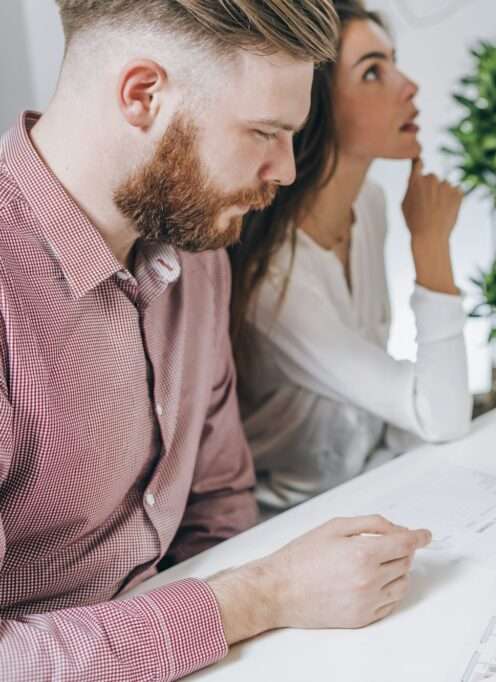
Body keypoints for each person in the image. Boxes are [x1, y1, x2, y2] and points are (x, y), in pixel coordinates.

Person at [0, 2, 430, 679]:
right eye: (264, 132)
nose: (286, 171)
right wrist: (260, 598)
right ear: (143, 95)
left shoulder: (200, 260)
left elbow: (220, 502)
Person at [229, 0, 471, 512]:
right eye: (372, 73)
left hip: (372, 485)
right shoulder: (279, 279)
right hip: (291, 522)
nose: (408, 86)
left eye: (393, 62)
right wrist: (431, 248)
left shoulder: (371, 205)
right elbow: (440, 414)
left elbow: (399, 414)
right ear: (312, 103)